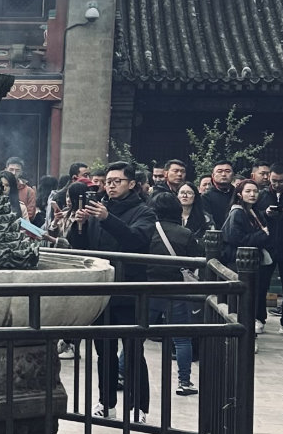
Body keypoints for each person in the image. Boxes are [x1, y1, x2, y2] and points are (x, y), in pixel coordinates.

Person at [87, 162, 156, 418]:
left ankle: (138, 405)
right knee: (104, 351)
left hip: (130, 290)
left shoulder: (144, 212)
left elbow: (135, 240)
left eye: (117, 180)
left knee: (133, 350)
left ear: (131, 184)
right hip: (102, 291)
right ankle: (107, 403)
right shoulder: (98, 210)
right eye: (108, 181)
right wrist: (80, 225)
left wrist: (107, 219)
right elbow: (86, 247)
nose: (111, 185)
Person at [150, 191, 201, 396]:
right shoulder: (185, 234)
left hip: (148, 287)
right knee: (181, 338)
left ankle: (120, 372)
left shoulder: (147, 231)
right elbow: (196, 259)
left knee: (136, 334)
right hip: (177, 288)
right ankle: (184, 382)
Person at [219, 178, 273, 331]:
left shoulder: (254, 211)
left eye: (255, 191)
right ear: (240, 194)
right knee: (241, 297)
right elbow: (235, 238)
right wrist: (262, 235)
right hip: (238, 259)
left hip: (250, 259)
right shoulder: (237, 212)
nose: (252, 194)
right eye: (248, 191)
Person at [260, 164, 283, 324]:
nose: (276, 184)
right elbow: (254, 216)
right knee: (261, 285)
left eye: (280, 181)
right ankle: (258, 318)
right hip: (267, 245)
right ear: (269, 177)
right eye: (274, 180)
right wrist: (265, 213)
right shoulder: (261, 194)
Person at [200, 161, 236, 229]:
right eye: (219, 171)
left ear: (233, 175)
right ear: (213, 176)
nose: (223, 174)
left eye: (227, 171)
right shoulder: (206, 197)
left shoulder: (239, 194)